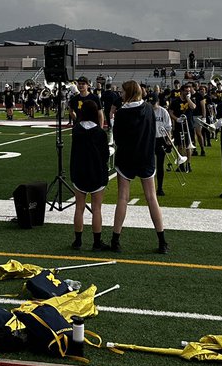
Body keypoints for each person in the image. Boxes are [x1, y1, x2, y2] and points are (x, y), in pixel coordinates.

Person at [110, 80, 168, 254]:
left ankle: (115, 240)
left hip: (126, 158)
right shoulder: (149, 108)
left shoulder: (121, 113)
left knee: (122, 198)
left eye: (122, 92)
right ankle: (162, 241)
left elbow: (117, 138)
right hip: (146, 157)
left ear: (128, 93)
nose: (121, 94)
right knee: (152, 198)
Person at [69, 98, 110, 250]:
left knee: (79, 208)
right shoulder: (100, 133)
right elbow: (105, 155)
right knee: (97, 209)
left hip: (79, 172)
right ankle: (96, 242)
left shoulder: (76, 129)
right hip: (97, 173)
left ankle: (78, 241)